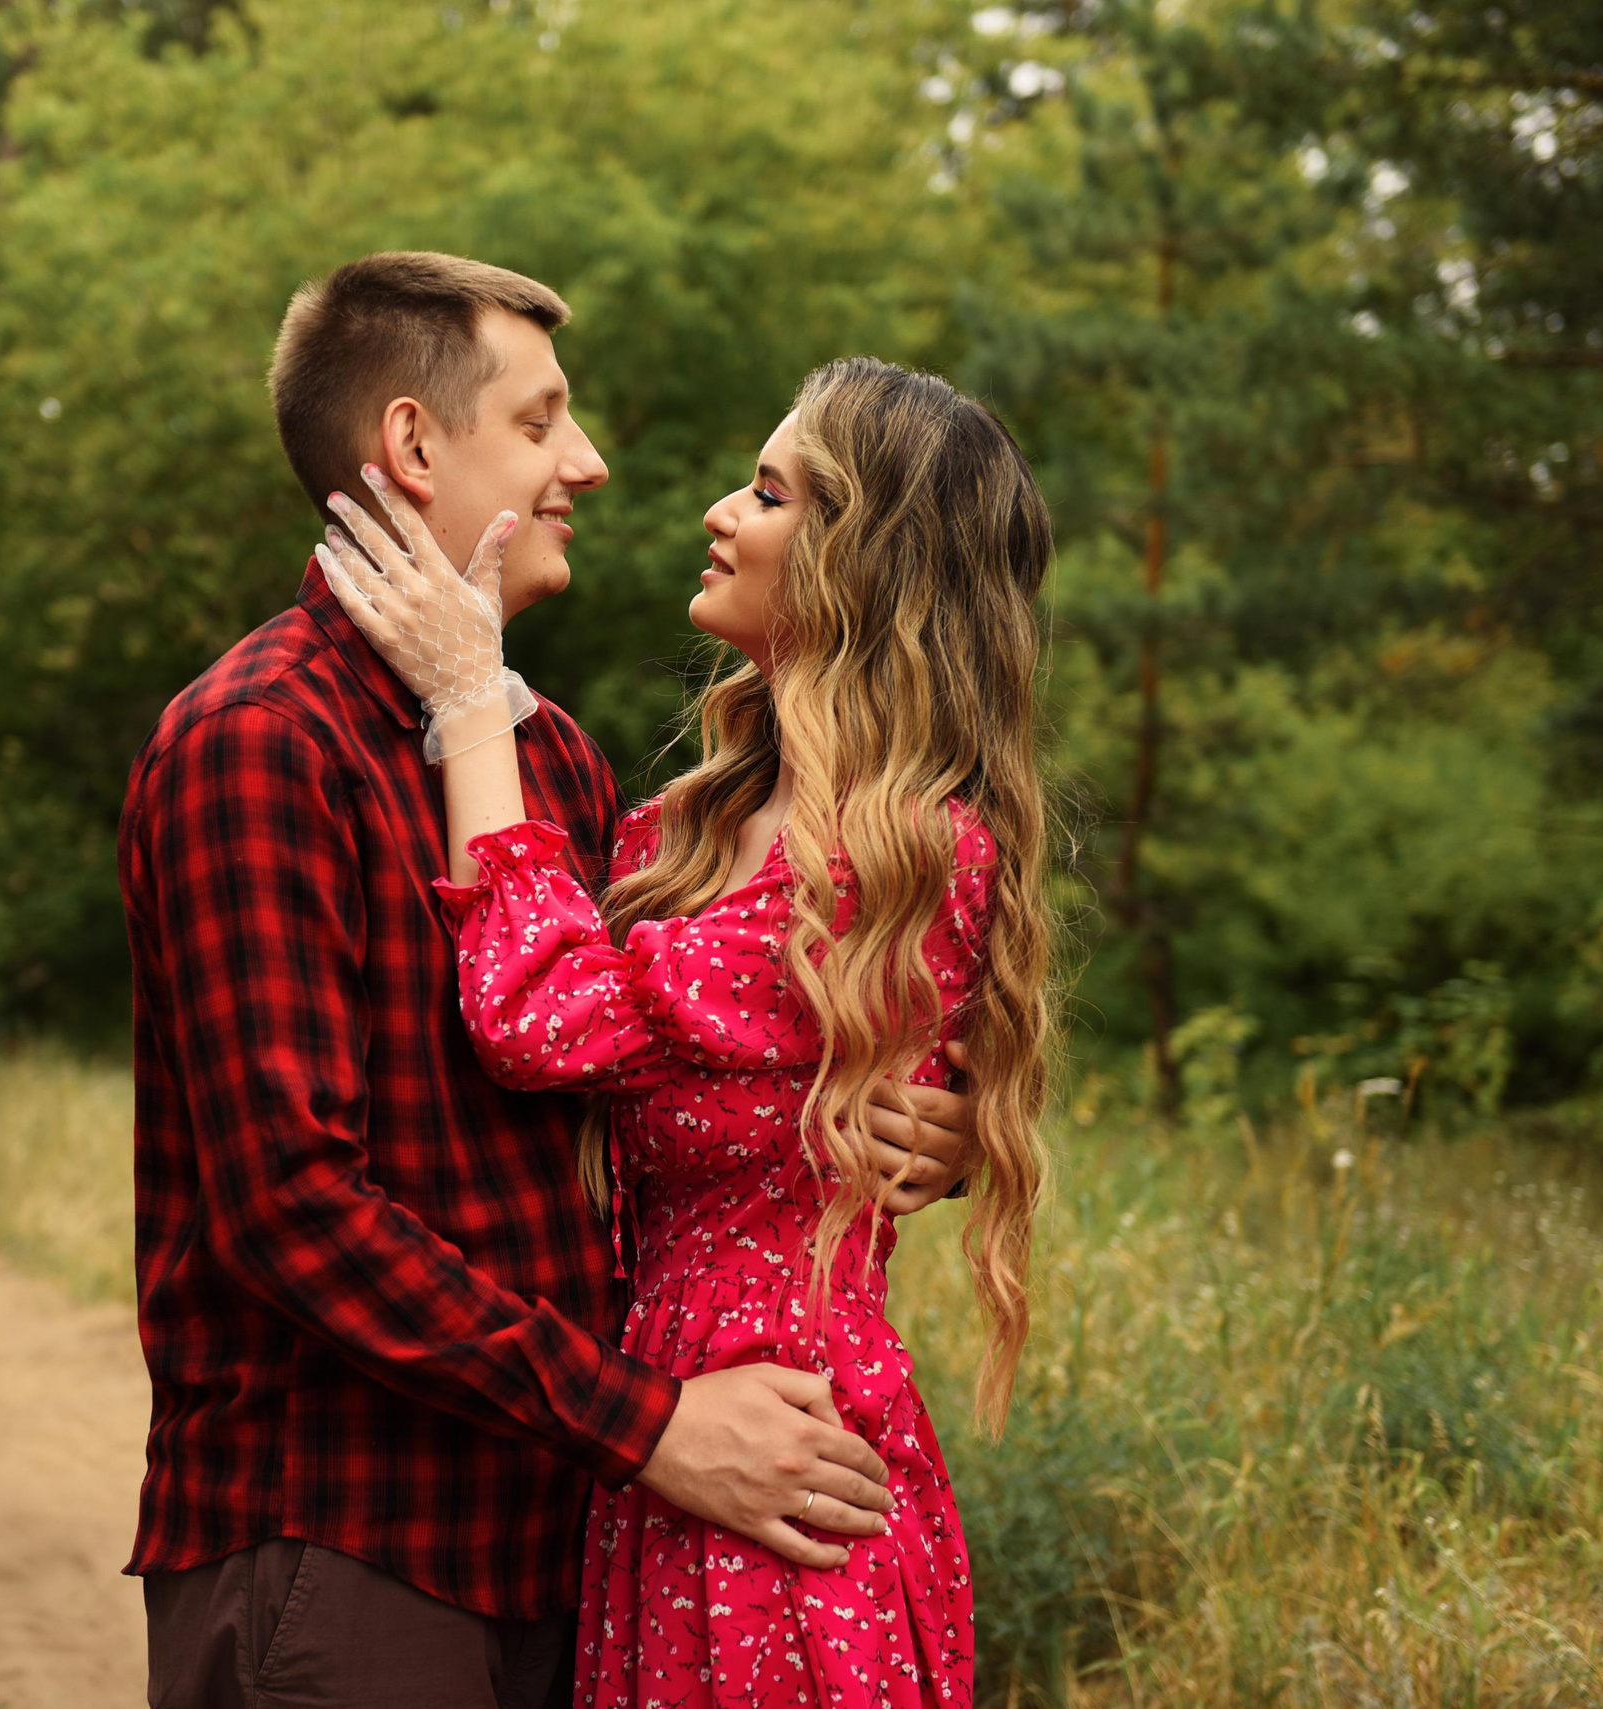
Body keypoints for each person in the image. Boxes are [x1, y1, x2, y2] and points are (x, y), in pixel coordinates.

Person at [118, 255, 986, 1708]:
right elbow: (289, 1209)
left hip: (557, 1540)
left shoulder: (552, 767)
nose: (587, 463)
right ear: (412, 447)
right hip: (341, 1542)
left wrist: (913, 1121)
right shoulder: (258, 743)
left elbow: (693, 1049)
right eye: (540, 425)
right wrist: (645, 1424)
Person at [318, 353, 1054, 1707]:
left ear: (865, 568)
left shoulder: (903, 857)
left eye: (771, 492)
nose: (720, 510)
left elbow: (543, 1017)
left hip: (785, 1488)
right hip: (659, 1453)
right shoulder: (678, 836)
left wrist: (471, 701)